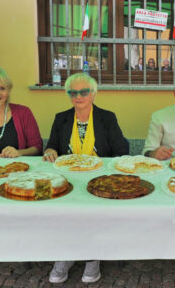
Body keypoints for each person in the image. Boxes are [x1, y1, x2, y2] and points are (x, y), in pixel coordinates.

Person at [43, 72, 128, 284]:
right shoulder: (60, 118)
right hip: (68, 178)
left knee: (92, 213)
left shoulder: (107, 117)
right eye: (73, 92)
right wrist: (50, 151)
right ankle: (65, 255)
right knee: (60, 212)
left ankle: (92, 257)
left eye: (83, 91)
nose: (78, 96)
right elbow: (51, 145)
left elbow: (121, 149)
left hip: (99, 179)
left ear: (93, 94)